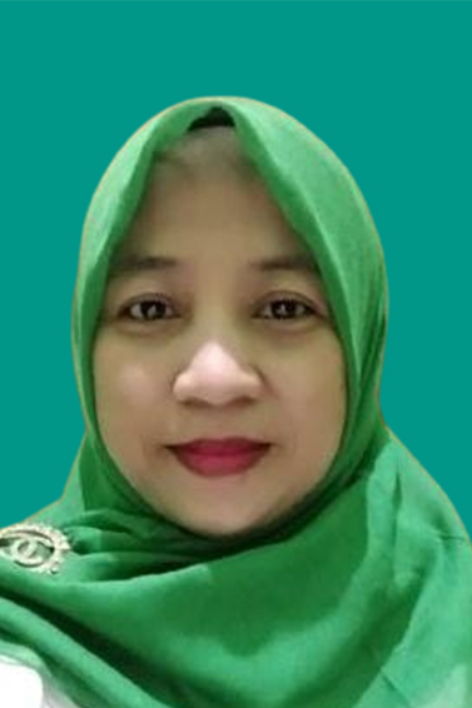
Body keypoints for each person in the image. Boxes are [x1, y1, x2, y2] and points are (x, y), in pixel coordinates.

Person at [0, 96, 471, 708]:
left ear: (360, 347)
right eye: (151, 308)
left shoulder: (449, 619)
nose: (215, 380)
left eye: (285, 308)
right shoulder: (22, 651)